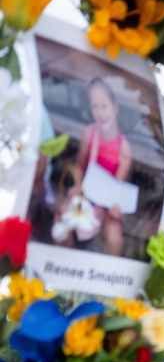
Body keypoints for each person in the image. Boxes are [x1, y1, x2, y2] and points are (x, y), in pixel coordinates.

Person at [57, 77, 131, 256]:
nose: (100, 113)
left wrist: (113, 208)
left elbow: (117, 187)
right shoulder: (88, 133)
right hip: (85, 195)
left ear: (115, 108)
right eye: (94, 107)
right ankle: (64, 262)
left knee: (114, 238)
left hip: (107, 204)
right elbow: (80, 166)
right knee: (61, 218)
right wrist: (78, 186)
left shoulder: (124, 148)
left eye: (104, 106)